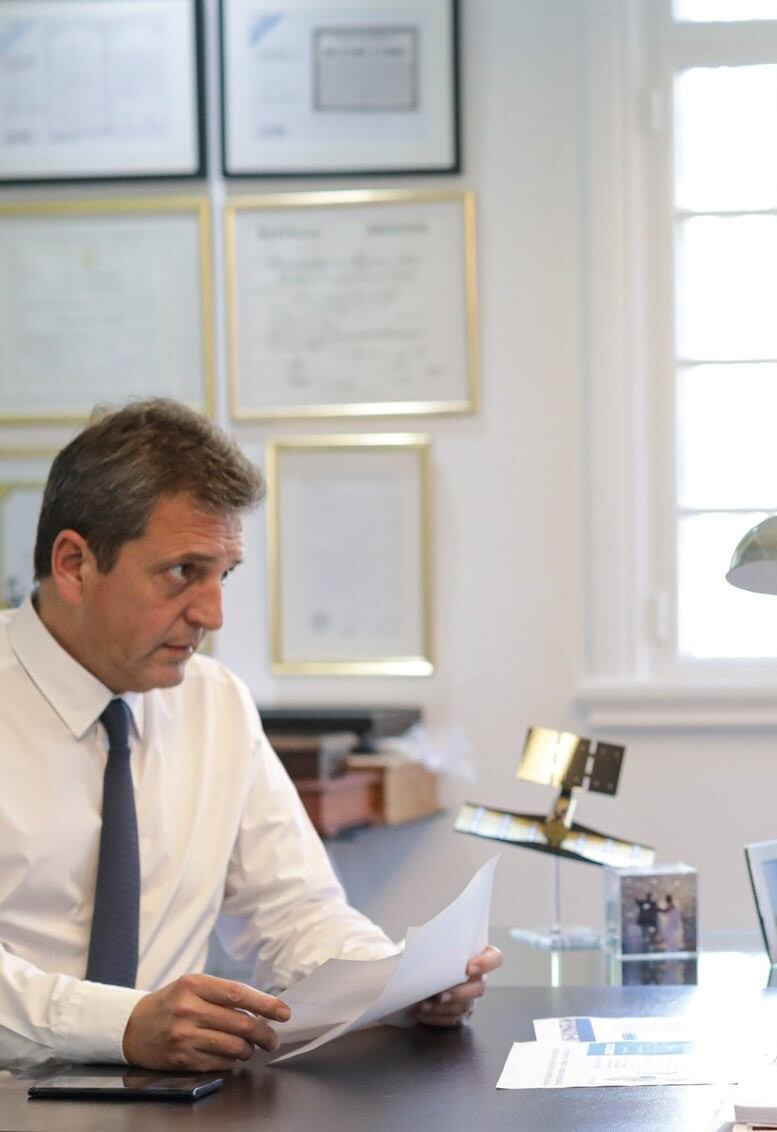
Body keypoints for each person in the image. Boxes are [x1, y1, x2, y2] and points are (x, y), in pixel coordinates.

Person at [0, 400, 501, 1073]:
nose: (212, 613)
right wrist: (121, 1025)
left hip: (170, 1105)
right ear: (75, 564)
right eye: (183, 571)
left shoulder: (216, 705)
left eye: (222, 575)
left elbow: (294, 914)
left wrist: (393, 984)